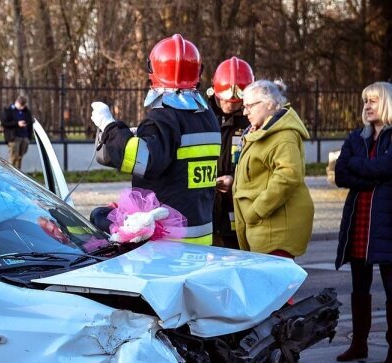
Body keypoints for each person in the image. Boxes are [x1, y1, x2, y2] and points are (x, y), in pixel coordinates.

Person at [90, 34, 221, 245]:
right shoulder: (208, 117)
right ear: (198, 71)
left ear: (154, 70)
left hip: (167, 239)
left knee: (98, 216)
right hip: (201, 234)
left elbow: (141, 160)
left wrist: (109, 127)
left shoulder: (165, 117)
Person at [333, 81, 392, 363]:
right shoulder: (356, 137)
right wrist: (373, 177)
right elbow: (341, 174)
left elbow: (387, 167)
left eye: (373, 101)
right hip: (359, 222)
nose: (367, 106)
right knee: (359, 288)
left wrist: (366, 168)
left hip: (386, 223)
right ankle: (359, 343)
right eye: (365, 101)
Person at [232, 79, 313, 259]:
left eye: (250, 106)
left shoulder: (283, 135)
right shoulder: (260, 131)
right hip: (263, 228)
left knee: (269, 286)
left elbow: (289, 176)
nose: (245, 112)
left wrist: (256, 211)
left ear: (269, 104)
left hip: (273, 230)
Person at [206, 57, 254, 248]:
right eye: (225, 100)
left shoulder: (252, 119)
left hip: (239, 206)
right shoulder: (202, 113)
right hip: (207, 205)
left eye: (236, 102)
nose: (231, 105)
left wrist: (236, 180)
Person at [1, 95, 34, 169]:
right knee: (13, 157)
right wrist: (17, 123)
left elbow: (30, 124)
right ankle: (10, 175)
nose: (22, 107)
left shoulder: (26, 111)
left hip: (24, 137)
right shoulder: (9, 110)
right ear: (17, 102)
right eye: (20, 105)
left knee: (20, 157)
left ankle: (19, 174)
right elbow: (4, 123)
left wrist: (29, 137)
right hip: (14, 137)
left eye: (23, 105)